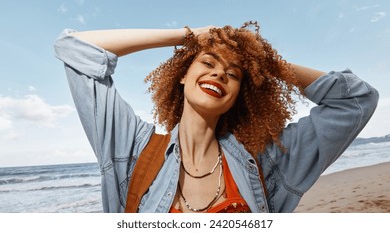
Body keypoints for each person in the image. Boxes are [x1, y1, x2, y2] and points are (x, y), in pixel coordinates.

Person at [54, 22, 379, 213]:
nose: (219, 73)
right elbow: (75, 49)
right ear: (183, 75)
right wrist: (188, 36)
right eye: (208, 62)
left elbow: (355, 100)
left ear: (240, 93)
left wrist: (266, 63)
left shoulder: (269, 162)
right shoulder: (134, 150)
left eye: (234, 73)